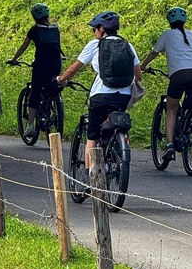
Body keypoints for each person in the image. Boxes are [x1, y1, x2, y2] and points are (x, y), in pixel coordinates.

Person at [56, 11, 141, 182]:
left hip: (100, 96)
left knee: (93, 136)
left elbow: (73, 68)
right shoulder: (127, 45)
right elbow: (138, 76)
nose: (94, 32)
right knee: (112, 124)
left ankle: (89, 175)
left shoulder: (95, 44)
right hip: (123, 96)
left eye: (95, 29)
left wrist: (62, 79)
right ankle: (116, 151)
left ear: (102, 29)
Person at [140, 7, 192, 161]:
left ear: (169, 22)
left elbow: (154, 53)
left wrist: (143, 66)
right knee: (190, 99)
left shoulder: (167, 34)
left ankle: (170, 144)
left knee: (171, 109)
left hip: (179, 75)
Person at [7, 3, 63, 138]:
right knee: (53, 86)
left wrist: (14, 59)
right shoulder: (55, 28)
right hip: (56, 64)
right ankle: (55, 105)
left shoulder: (35, 30)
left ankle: (31, 125)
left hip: (41, 66)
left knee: (36, 93)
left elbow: (23, 47)